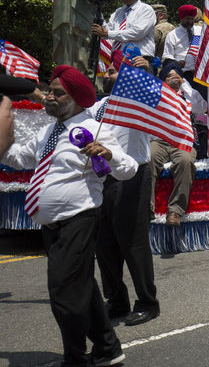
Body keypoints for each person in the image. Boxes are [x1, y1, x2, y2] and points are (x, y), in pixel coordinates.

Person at [1, 66, 137, 366]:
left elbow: (128, 168)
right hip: (51, 227)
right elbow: (21, 158)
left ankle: (75, 358)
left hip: (79, 220)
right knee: (83, 288)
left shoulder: (97, 129)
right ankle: (108, 348)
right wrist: (3, 141)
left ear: (75, 98)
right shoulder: (48, 131)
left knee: (64, 294)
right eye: (49, 90)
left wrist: (108, 154)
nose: (48, 96)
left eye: (57, 92)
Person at [89, 54, 160, 326]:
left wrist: (146, 74)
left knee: (133, 241)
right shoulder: (98, 105)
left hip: (132, 175)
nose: (106, 76)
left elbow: (159, 99)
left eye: (112, 71)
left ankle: (147, 302)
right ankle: (117, 300)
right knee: (104, 243)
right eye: (106, 72)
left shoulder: (138, 100)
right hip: (102, 177)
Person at [150, 62, 206, 227]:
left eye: (176, 75)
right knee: (149, 159)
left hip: (183, 140)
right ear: (162, 80)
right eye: (169, 75)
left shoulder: (187, 94)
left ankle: (175, 211)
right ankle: (147, 207)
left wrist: (184, 85)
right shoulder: (156, 94)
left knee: (185, 161)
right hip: (159, 140)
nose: (173, 78)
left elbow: (201, 108)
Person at [92, 0, 156, 61]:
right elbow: (106, 30)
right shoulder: (119, 11)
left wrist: (107, 33)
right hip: (118, 59)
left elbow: (136, 33)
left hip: (138, 59)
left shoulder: (146, 9)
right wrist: (98, 8)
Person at [163, 4, 203, 82]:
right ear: (182, 18)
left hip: (200, 74)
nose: (190, 21)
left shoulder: (200, 31)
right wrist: (176, 63)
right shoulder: (172, 35)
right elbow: (167, 56)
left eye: (192, 18)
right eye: (187, 19)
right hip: (182, 74)